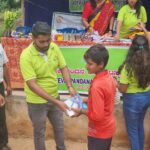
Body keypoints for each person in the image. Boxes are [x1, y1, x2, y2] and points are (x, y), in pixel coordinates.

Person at [19, 21, 76, 150]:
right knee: (39, 132)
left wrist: (70, 87)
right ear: (33, 38)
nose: (46, 44)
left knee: (60, 127)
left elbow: (64, 67)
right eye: (42, 41)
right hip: (36, 101)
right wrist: (56, 102)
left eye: (48, 40)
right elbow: (32, 85)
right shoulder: (26, 56)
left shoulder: (54, 47)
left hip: (55, 96)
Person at [72, 44, 116, 150]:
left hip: (99, 132)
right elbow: (105, 99)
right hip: (108, 127)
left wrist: (81, 111)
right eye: (86, 63)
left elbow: (97, 116)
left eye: (90, 64)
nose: (86, 66)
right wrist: (85, 99)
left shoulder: (97, 86)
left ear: (100, 64)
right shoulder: (108, 77)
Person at [118, 23, 150, 150]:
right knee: (139, 125)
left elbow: (124, 89)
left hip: (132, 100)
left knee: (132, 131)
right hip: (147, 96)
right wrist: (144, 29)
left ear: (132, 48)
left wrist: (117, 84)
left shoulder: (128, 67)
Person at [0, 44, 12, 150]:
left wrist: (8, 84)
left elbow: (4, 65)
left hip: (0, 85)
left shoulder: (0, 46)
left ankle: (3, 143)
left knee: (1, 116)